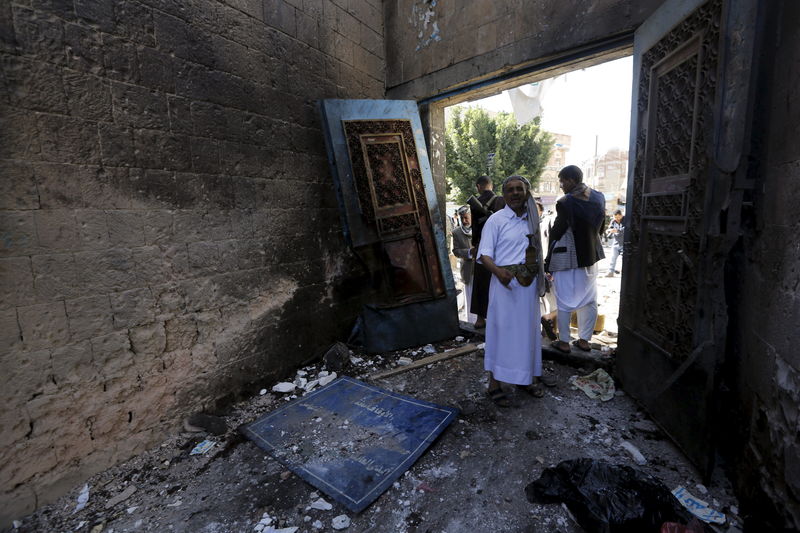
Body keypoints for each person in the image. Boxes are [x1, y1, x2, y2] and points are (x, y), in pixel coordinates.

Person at [477, 175, 551, 406]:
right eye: (510, 189)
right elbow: (484, 255)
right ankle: (494, 384)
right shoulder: (496, 220)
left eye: (520, 189)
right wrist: (499, 273)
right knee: (501, 333)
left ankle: (526, 378)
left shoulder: (532, 220)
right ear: (504, 194)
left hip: (527, 289)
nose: (515, 193)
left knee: (527, 333)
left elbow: (537, 252)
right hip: (504, 286)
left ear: (527, 192)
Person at [545, 165, 606, 353]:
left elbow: (557, 231)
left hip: (568, 258)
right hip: (591, 257)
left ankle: (564, 342)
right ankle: (584, 341)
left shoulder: (566, 202)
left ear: (571, 180)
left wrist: (547, 260)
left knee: (564, 300)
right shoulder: (599, 197)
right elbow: (601, 227)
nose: (561, 185)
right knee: (589, 299)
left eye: (562, 181)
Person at [468, 175, 505, 329]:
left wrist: (475, 243)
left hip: (482, 246)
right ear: (491, 185)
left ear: (478, 186)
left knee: (480, 283)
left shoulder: (478, 202)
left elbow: (475, 228)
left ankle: (480, 319)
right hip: (499, 246)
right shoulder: (501, 200)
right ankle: (497, 318)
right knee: (496, 282)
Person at [451, 206, 477, 323]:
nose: (464, 221)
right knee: (470, 297)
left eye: (466, 218)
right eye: (462, 218)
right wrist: (468, 252)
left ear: (472, 216)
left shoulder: (479, 229)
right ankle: (472, 322)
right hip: (467, 270)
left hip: (482, 268)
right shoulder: (456, 232)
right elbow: (455, 251)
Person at [605, 210, 624, 277]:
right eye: (615, 217)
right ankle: (610, 272)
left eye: (618, 217)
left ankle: (623, 273)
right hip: (615, 243)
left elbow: (626, 229)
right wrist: (608, 231)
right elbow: (609, 229)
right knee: (612, 258)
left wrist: (617, 230)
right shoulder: (613, 221)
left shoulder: (625, 220)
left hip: (624, 243)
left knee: (624, 260)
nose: (617, 219)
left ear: (621, 215)